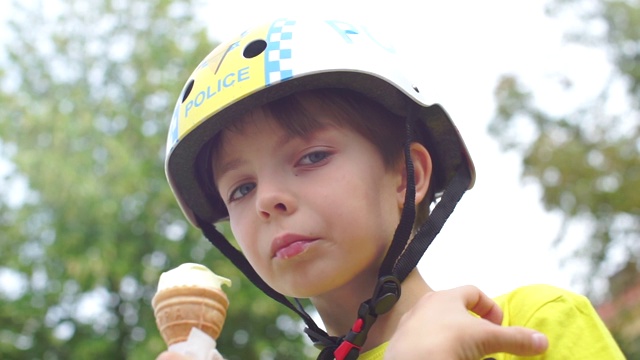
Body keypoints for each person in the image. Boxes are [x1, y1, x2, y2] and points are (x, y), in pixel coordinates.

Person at [158, 18, 624, 359]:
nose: (266, 200)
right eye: (240, 189)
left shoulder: (531, 324)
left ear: (409, 176)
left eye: (312, 157)